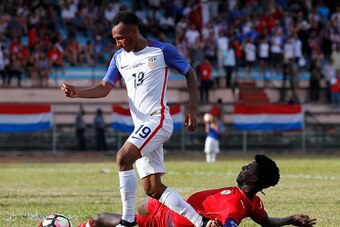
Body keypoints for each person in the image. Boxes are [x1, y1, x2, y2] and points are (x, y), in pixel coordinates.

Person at [60, 11, 210, 227]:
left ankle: (127, 222)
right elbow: (104, 88)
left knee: (123, 157)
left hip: (157, 120)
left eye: (120, 38)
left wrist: (193, 108)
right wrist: (78, 92)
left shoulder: (162, 50)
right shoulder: (119, 58)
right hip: (142, 127)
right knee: (152, 189)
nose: (118, 44)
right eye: (114, 39)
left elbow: (190, 73)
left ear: (133, 32)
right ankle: (201, 222)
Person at [76, 154, 316, 227]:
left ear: (253, 178)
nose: (243, 167)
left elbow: (229, 223)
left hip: (166, 221)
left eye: (247, 167)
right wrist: (290, 220)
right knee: (143, 203)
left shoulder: (233, 204)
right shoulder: (253, 203)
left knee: (98, 219)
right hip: (169, 207)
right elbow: (268, 223)